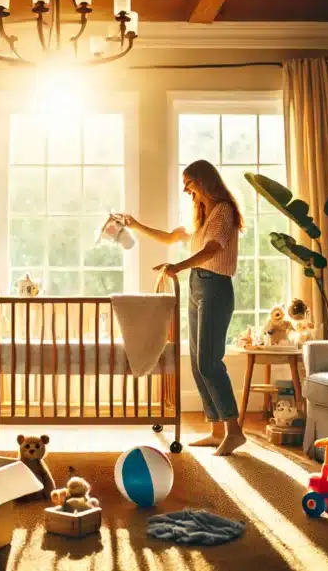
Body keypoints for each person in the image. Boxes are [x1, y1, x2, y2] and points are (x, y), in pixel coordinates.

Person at [116, 160, 247, 456]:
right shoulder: (203, 217)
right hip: (197, 286)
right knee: (197, 362)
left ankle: (234, 430)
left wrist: (179, 266)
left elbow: (213, 249)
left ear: (203, 181)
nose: (185, 188)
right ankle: (216, 429)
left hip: (215, 286)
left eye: (189, 182)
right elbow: (169, 237)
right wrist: (135, 225)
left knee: (209, 361)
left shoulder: (223, 211)